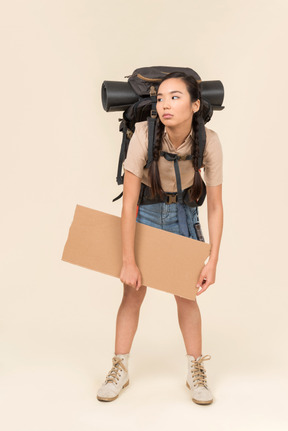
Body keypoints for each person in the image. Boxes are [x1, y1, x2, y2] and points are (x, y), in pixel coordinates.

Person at [97, 72, 223, 405]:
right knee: (133, 293)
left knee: (186, 297)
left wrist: (214, 258)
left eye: (176, 97)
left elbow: (215, 206)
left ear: (196, 105)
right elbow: (129, 201)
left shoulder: (208, 140)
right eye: (162, 97)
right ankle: (119, 367)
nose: (165, 104)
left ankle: (195, 370)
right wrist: (128, 260)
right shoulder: (143, 132)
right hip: (146, 213)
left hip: (183, 214)